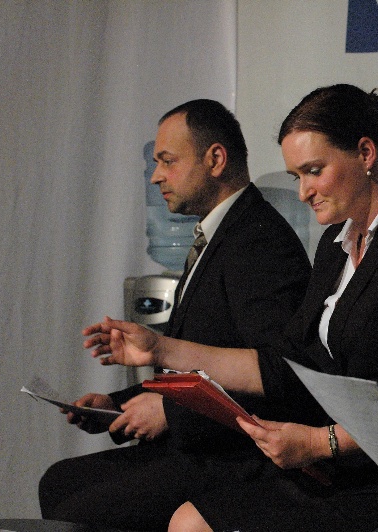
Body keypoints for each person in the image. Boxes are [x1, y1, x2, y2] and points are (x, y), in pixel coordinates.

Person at [82, 84, 378, 531]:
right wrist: (160, 349)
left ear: (365, 153)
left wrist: (321, 442)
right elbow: (284, 366)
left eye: (314, 171)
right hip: (329, 466)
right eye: (297, 177)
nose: (304, 192)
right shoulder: (334, 247)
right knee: (184, 519)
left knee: (189, 523)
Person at [38, 99, 312, 531]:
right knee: (58, 482)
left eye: (168, 161)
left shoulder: (258, 242)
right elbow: (195, 368)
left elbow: (281, 378)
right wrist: (116, 406)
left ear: (215, 160)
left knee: (79, 512)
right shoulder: (219, 233)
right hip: (198, 446)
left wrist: (170, 414)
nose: (156, 176)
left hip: (238, 460)